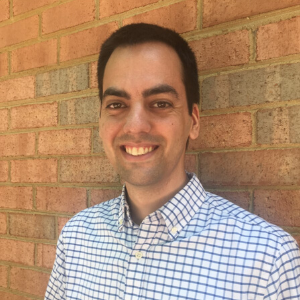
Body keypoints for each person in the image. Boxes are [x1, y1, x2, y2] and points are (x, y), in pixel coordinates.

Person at [45, 23, 300, 300]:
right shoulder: (76, 237)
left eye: (161, 103)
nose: (136, 126)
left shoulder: (268, 261)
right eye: (117, 104)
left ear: (193, 120)